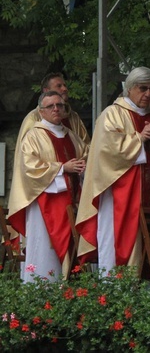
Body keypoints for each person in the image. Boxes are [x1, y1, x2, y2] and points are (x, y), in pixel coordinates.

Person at [76, 67, 150, 274]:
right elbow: (106, 152)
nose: (149, 94)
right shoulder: (112, 114)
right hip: (122, 195)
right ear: (130, 88)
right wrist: (138, 138)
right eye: (143, 89)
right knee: (122, 240)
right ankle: (115, 287)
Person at [8, 91, 88, 282]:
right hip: (45, 205)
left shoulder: (73, 137)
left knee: (72, 250)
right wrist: (62, 168)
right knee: (44, 251)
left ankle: (69, 295)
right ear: (41, 111)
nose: (56, 109)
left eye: (59, 105)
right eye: (50, 106)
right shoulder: (33, 136)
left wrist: (84, 167)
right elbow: (30, 168)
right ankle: (40, 293)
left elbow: (86, 157)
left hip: (72, 203)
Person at [17, 72, 90, 145]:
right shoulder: (33, 118)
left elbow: (86, 147)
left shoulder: (74, 117)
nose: (64, 89)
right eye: (59, 86)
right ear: (46, 91)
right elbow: (25, 151)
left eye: (65, 85)